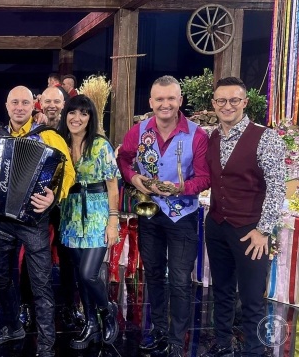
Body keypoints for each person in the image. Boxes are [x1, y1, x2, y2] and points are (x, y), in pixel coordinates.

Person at [0, 85, 75, 357]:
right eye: (14, 102)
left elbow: (69, 173)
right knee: (0, 276)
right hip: (2, 219)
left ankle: (46, 346)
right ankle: (13, 326)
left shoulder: (49, 136)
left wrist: (54, 196)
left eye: (25, 103)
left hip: (34, 221)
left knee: (41, 284)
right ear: (7, 106)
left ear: (33, 106)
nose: (19, 107)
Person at [116, 75, 209, 357]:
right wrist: (134, 178)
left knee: (180, 280)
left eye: (171, 98)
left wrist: (181, 188)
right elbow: (123, 159)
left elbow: (204, 177)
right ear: (151, 102)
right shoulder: (138, 130)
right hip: (150, 213)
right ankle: (158, 330)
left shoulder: (197, 134)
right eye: (159, 99)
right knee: (154, 274)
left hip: (183, 217)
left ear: (180, 100)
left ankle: (177, 339)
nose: (165, 104)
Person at [202, 77, 285, 357]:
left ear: (245, 102)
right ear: (214, 104)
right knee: (221, 290)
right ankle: (222, 343)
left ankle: (254, 350)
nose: (228, 106)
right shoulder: (211, 136)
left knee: (251, 297)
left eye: (234, 100)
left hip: (250, 230)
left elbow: (276, 187)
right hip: (216, 225)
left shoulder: (266, 138)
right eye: (221, 100)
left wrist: (263, 230)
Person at [58, 95, 120, 349]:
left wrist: (113, 221)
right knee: (79, 274)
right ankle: (91, 323)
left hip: (97, 213)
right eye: (72, 112)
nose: (77, 118)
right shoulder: (60, 143)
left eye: (83, 113)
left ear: (90, 118)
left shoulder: (100, 145)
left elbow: (113, 185)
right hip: (70, 214)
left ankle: (107, 311)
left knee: (88, 273)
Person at [19, 85, 82, 330]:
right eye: (47, 101)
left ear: (64, 104)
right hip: (37, 201)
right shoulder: (34, 127)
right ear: (40, 103)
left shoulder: (73, 127)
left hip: (65, 201)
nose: (52, 106)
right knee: (31, 253)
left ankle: (69, 305)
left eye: (57, 101)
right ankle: (26, 304)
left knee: (68, 256)